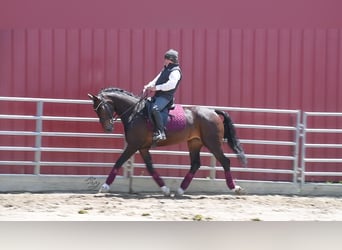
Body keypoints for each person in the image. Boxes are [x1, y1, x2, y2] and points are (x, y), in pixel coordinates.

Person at [143, 49, 182, 142]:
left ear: (170, 59)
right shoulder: (166, 69)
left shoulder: (175, 72)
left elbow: (171, 85)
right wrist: (149, 85)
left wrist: (156, 88)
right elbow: (157, 78)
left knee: (155, 109)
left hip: (166, 97)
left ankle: (161, 132)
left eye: (166, 58)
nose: (164, 60)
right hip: (159, 94)